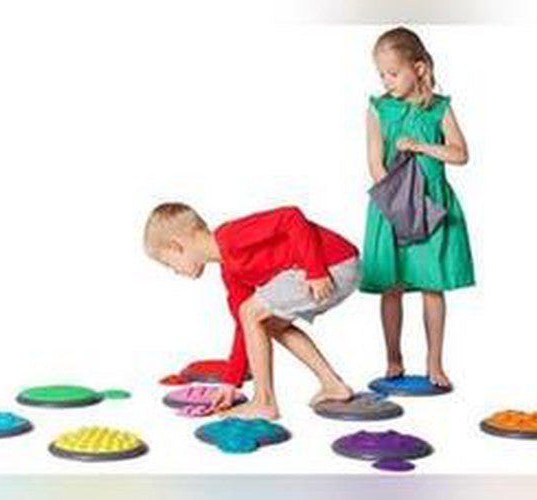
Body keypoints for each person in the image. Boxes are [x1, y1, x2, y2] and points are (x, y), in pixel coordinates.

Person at [144, 203, 360, 419]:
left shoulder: (231, 236)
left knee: (251, 313)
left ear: (176, 246)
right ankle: (333, 384)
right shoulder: (230, 270)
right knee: (264, 323)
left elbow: (291, 216)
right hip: (327, 269)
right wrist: (230, 383)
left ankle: (264, 402)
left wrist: (315, 270)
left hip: (333, 264)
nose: (174, 271)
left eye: (168, 264)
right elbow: (244, 325)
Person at [360, 27, 475, 388]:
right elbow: (375, 163)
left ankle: (434, 362)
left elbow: (460, 154)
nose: (386, 81)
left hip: (432, 207)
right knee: (391, 286)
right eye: (382, 74)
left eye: (393, 73)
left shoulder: (440, 108)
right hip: (392, 207)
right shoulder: (378, 109)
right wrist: (399, 206)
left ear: (419, 68)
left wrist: (422, 147)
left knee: (431, 285)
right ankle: (393, 358)